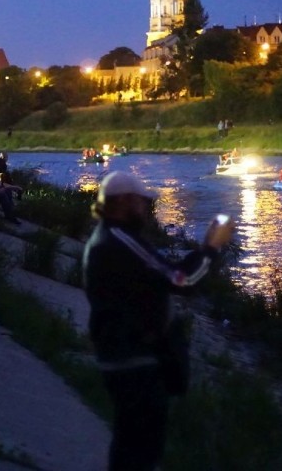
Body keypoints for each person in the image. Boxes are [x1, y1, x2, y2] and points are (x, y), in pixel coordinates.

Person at [83, 171, 233, 471]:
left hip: (119, 356)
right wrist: (211, 249)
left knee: (127, 448)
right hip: (135, 361)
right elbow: (182, 280)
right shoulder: (121, 240)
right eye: (142, 202)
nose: (146, 209)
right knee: (142, 451)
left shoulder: (106, 237)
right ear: (125, 201)